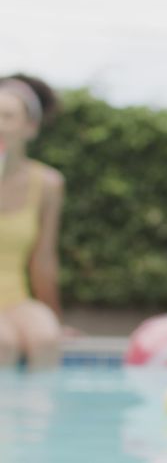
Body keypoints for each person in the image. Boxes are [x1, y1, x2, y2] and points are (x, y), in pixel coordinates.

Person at [0, 73, 67, 369]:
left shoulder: (48, 184)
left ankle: (37, 415)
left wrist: (54, 316)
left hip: (15, 299)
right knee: (4, 342)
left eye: (6, 116)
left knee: (45, 338)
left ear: (30, 127)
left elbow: (43, 261)